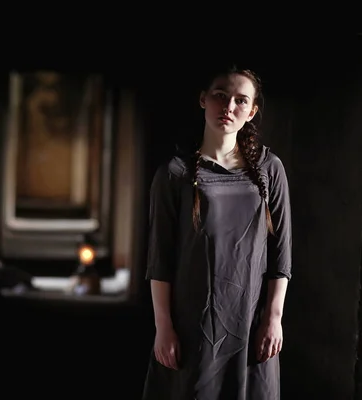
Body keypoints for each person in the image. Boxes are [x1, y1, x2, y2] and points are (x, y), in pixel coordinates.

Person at [142, 65, 292, 400]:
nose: (228, 107)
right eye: (220, 96)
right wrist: (163, 327)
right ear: (203, 99)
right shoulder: (175, 173)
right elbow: (160, 258)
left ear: (252, 111)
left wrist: (273, 317)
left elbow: (281, 252)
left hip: (250, 322)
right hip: (195, 324)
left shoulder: (270, 170)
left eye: (241, 101)